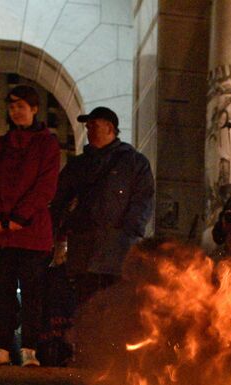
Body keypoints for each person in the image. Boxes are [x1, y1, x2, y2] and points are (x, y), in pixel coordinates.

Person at [0, 84, 60, 367]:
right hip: (4, 231)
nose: (16, 112)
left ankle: (29, 348)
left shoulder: (47, 143)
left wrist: (19, 217)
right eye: (12, 107)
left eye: (21, 106)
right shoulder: (1, 145)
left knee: (32, 292)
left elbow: (45, 185)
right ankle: (2, 347)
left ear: (34, 108)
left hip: (31, 230)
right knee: (3, 291)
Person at [50, 106, 154, 310]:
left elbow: (143, 200)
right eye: (87, 127)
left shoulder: (134, 162)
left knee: (115, 306)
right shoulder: (78, 165)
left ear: (109, 128)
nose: (88, 130)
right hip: (84, 249)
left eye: (93, 125)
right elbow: (59, 199)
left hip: (118, 250)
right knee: (86, 306)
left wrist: (128, 233)